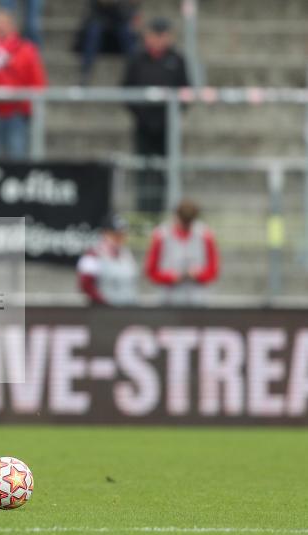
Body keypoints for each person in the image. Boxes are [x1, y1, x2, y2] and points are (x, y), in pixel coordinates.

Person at [122, 17, 189, 214]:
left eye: (163, 35)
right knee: (143, 169)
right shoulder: (137, 58)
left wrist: (172, 116)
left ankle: (162, 210)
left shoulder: (177, 59)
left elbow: (186, 92)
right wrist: (140, 115)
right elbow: (126, 90)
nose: (159, 40)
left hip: (168, 126)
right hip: (143, 124)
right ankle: (144, 212)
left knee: (165, 169)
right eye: (155, 35)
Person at [0, 8, 46, 160]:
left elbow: (37, 81)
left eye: (3, 23)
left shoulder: (26, 50)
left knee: (16, 157)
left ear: (12, 25)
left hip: (16, 111)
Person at [145, 199, 219, 306]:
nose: (186, 226)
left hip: (197, 298)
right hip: (168, 298)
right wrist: (170, 277)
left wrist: (197, 275)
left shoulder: (205, 235)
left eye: (189, 222)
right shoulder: (162, 235)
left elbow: (213, 270)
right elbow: (151, 271)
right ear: (177, 217)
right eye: (184, 222)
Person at [76, 214, 138, 306]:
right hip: (104, 312)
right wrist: (104, 302)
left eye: (122, 234)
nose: (119, 238)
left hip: (127, 310)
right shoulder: (92, 255)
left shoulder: (126, 254)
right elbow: (85, 285)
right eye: (115, 235)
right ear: (104, 234)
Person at [79, 0, 139, 85]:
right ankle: (85, 72)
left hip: (119, 24)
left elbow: (127, 15)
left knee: (127, 32)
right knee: (93, 32)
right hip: (99, 24)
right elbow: (90, 15)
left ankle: (136, 69)